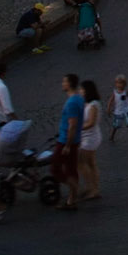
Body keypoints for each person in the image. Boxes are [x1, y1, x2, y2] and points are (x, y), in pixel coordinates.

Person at [56, 75, 85, 210]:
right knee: (72, 168)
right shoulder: (79, 98)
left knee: (56, 168)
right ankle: (71, 200)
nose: (62, 83)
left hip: (66, 141)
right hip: (75, 140)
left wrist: (67, 145)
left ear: (69, 84)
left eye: (64, 81)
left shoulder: (72, 102)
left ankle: (74, 189)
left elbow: (72, 125)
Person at [77, 80, 103, 201]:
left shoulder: (93, 105)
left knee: (81, 162)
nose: (80, 91)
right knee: (91, 163)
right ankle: (94, 188)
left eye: (82, 89)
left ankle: (91, 188)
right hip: (87, 137)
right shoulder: (87, 103)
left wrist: (78, 128)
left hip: (90, 138)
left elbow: (91, 123)